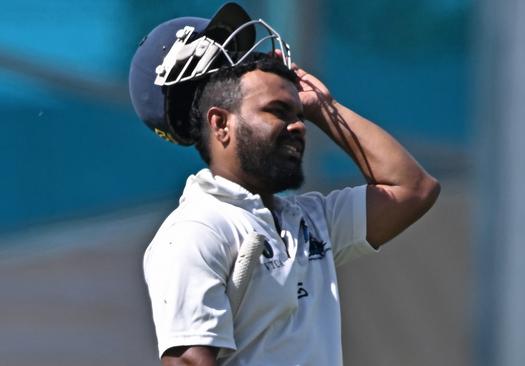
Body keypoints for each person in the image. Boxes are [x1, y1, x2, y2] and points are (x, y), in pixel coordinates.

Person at [129, 3, 440, 366]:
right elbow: (189, 362)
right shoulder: (196, 231)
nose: (299, 125)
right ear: (220, 125)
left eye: (299, 113)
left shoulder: (308, 220)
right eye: (278, 111)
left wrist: (324, 107)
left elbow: (413, 188)